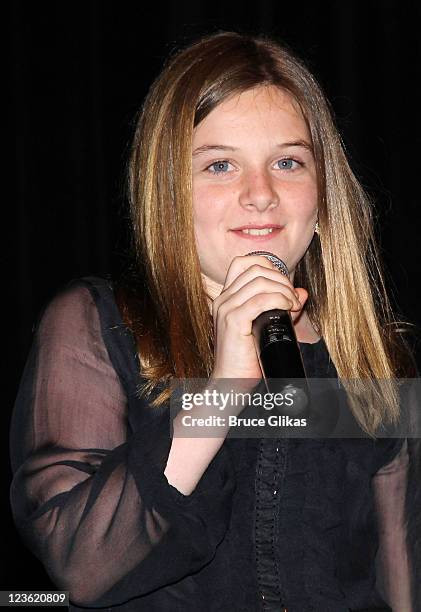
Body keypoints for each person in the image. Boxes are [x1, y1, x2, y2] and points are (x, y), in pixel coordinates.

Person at [9, 31, 420, 611]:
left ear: (323, 193)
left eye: (288, 161)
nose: (261, 194)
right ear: (169, 189)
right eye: (221, 165)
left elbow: (400, 577)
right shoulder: (97, 325)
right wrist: (221, 393)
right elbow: (80, 568)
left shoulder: (371, 355)